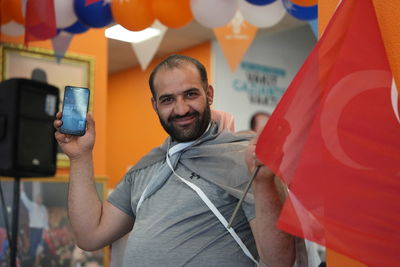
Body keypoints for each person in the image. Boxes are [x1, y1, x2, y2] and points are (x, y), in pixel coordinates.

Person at [54, 55, 297, 266]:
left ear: (209, 94)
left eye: (190, 95)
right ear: (155, 105)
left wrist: (264, 182)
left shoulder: (246, 160)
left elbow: (280, 261)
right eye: (168, 99)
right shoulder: (146, 167)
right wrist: (80, 157)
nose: (181, 109)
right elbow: (90, 235)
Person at [20, 183, 49, 267]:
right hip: (34, 230)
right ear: (36, 199)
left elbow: (45, 220)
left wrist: (46, 230)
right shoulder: (32, 205)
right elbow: (24, 199)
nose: (39, 199)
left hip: (41, 231)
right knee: (33, 249)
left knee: (40, 249)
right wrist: (22, 191)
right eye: (38, 198)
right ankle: (31, 264)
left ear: (42, 199)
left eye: (40, 198)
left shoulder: (44, 208)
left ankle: (37, 264)